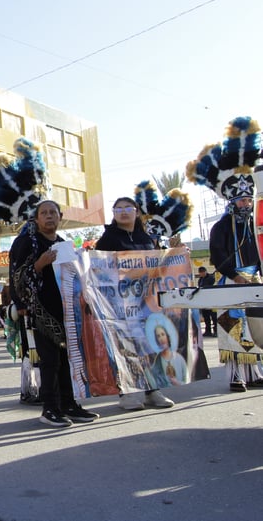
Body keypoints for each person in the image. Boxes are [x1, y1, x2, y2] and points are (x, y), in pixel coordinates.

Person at [188, 116, 263, 392]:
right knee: (233, 329)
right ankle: (236, 376)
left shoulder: (257, 225)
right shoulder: (221, 226)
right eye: (243, 200)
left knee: (255, 327)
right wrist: (235, 275)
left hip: (254, 281)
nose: (247, 203)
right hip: (230, 282)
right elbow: (218, 255)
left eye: (249, 199)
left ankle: (254, 372)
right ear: (232, 201)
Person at [9, 200, 99, 427]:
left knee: (67, 360)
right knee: (49, 362)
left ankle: (69, 404)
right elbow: (16, 277)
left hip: (67, 312)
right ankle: (49, 408)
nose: (49, 216)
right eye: (44, 213)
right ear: (37, 218)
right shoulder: (27, 242)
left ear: (60, 217)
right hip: (41, 312)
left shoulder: (62, 244)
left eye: (53, 213)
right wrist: (39, 265)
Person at [95, 196, 175, 411]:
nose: (123, 212)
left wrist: (176, 253)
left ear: (137, 212)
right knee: (125, 348)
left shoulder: (147, 239)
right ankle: (128, 392)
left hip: (146, 302)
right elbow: (98, 269)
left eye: (127, 208)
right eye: (118, 208)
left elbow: (158, 266)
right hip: (120, 303)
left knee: (149, 344)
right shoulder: (108, 239)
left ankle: (153, 390)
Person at [196, 266, 216, 337]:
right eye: (200, 273)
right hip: (204, 301)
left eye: (202, 272)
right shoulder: (200, 280)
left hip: (211, 301)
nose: (201, 274)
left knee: (213, 317)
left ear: (205, 271)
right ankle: (208, 331)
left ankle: (215, 331)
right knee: (206, 317)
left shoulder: (211, 278)